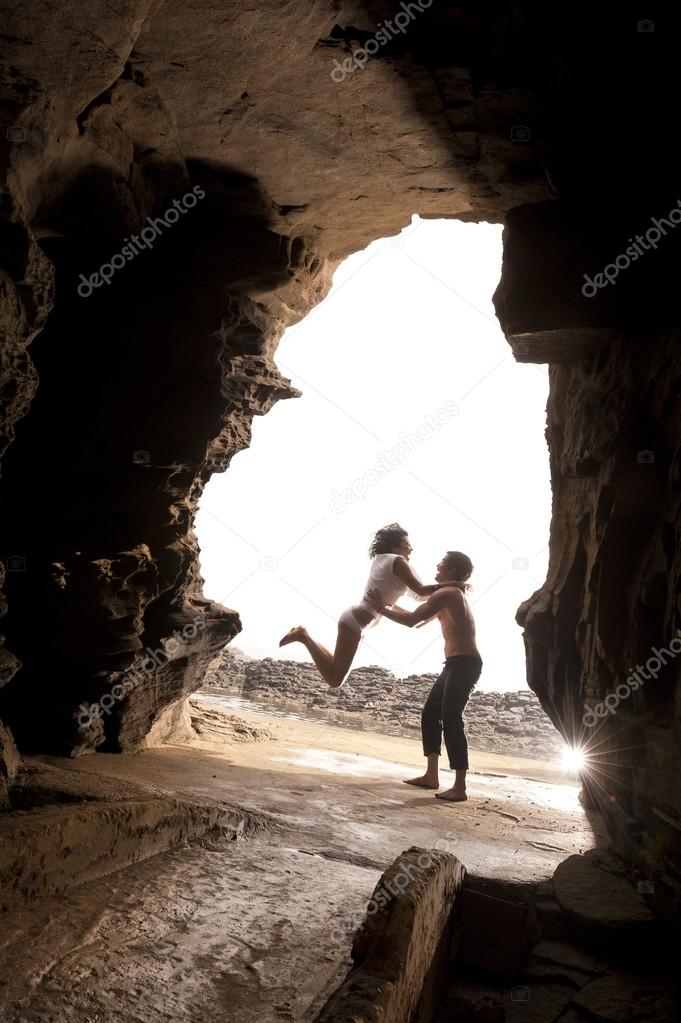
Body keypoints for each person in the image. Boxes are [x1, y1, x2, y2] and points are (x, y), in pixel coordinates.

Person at [366, 550, 482, 802]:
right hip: (454, 663)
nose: (437, 567)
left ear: (451, 570)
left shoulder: (449, 593)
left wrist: (380, 608)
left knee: (451, 717)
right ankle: (431, 776)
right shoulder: (449, 594)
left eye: (441, 565)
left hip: (465, 664)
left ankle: (460, 787)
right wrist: (386, 604)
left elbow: (411, 620)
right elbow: (419, 620)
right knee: (431, 712)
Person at [279, 523, 443, 689]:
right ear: (395, 546)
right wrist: (455, 585)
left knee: (335, 672)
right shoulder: (397, 561)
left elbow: (418, 596)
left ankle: (304, 636)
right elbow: (421, 591)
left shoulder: (388, 561)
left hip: (357, 621)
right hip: (355, 622)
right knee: (335, 680)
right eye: (407, 544)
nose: (411, 548)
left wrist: (444, 594)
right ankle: (304, 636)